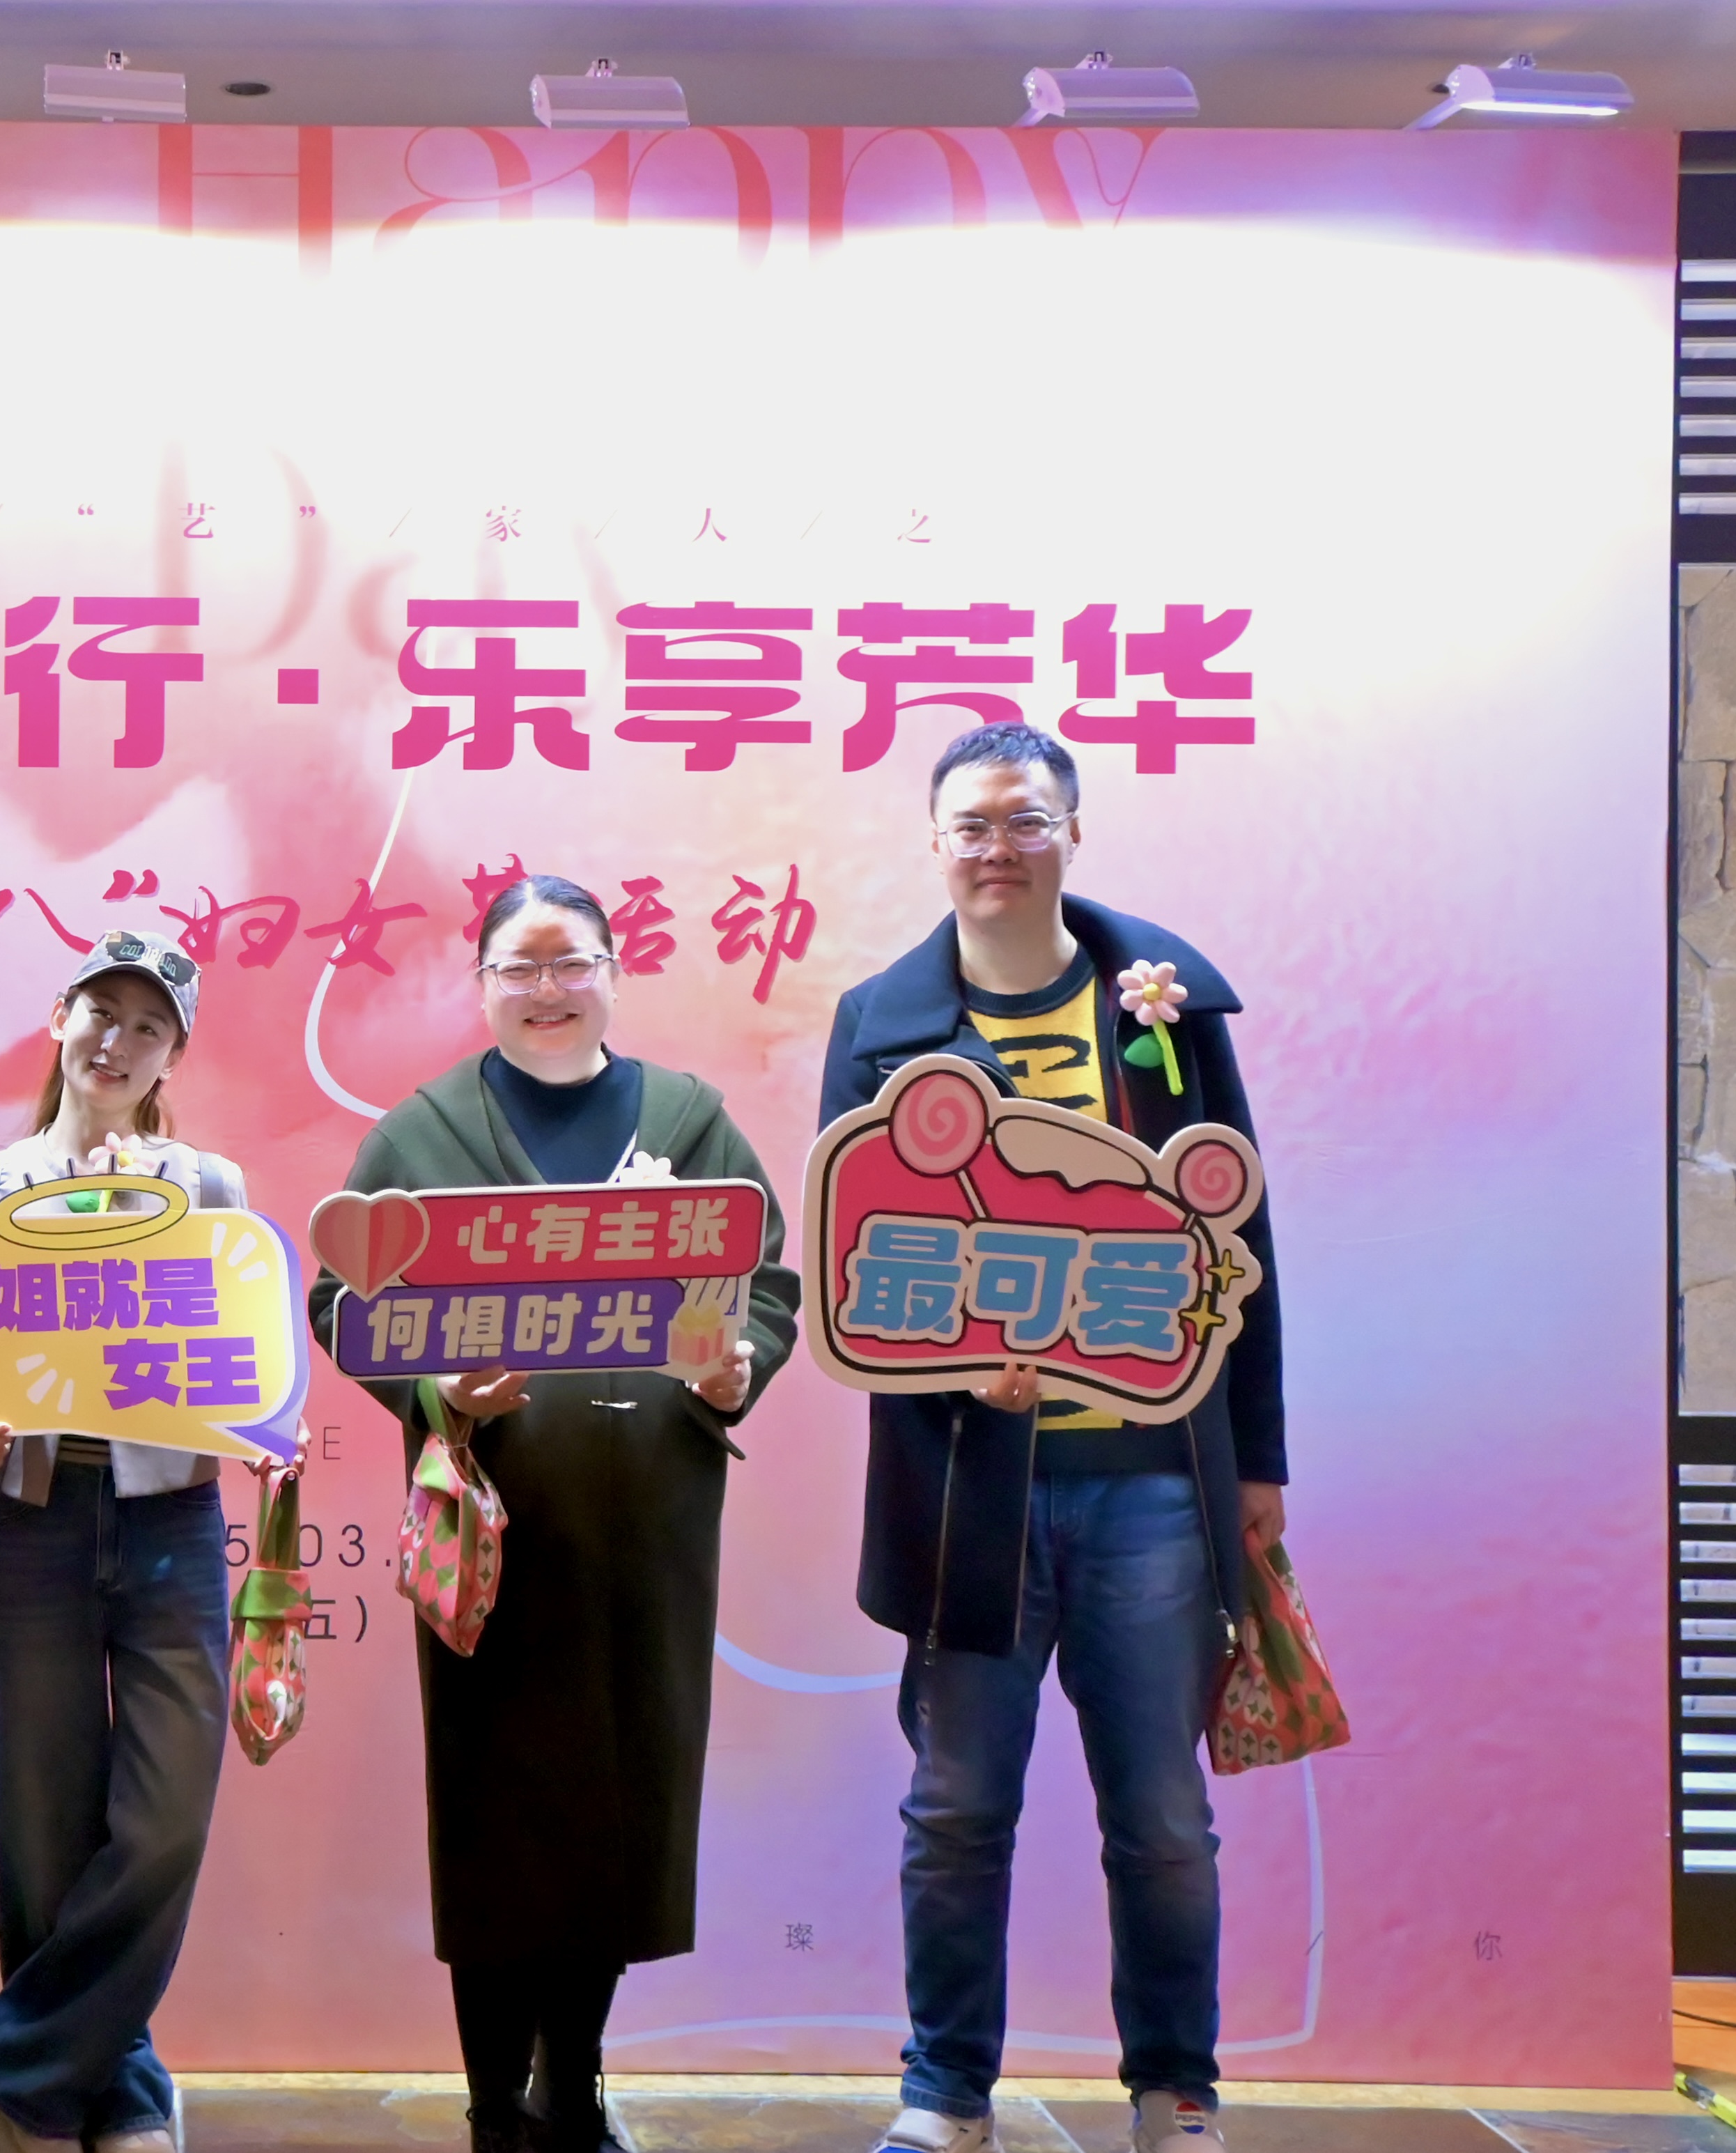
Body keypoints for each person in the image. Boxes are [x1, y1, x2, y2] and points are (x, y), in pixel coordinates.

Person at [818, 724, 1288, 2153]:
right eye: (970, 826)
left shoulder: (1164, 1006)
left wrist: (1257, 1464)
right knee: (957, 1806)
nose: (997, 849)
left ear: (1073, 832)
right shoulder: (880, 1022)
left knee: (1160, 1814)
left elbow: (1239, 1238)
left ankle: (1175, 2090)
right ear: (933, 843)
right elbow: (855, 1262)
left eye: (1025, 821)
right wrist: (962, 1370)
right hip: (972, 1485)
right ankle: (943, 2092)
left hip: (1153, 1481)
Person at [306, 874, 803, 2153]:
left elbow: (764, 1281)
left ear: (613, 973)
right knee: (493, 1814)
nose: (546, 988)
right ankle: (493, 2103)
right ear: (481, 986)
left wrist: (735, 1366)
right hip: (489, 1530)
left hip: (648, 1528)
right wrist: (434, 1389)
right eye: (518, 967)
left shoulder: (688, 1120)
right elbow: (340, 1301)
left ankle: (570, 2086)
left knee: (618, 1806)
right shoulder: (419, 1135)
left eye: (570, 961)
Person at [0, 930, 246, 2153]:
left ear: (172, 1057)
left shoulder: (210, 1189)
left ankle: (19, 2064)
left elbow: (240, 1348)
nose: (118, 1041)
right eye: (102, 1012)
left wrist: (266, 1418)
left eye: (149, 1026)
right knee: (43, 1823)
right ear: (59, 1020)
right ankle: (112, 2085)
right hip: (35, 1518)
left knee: (165, 1818)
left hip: (173, 1515)